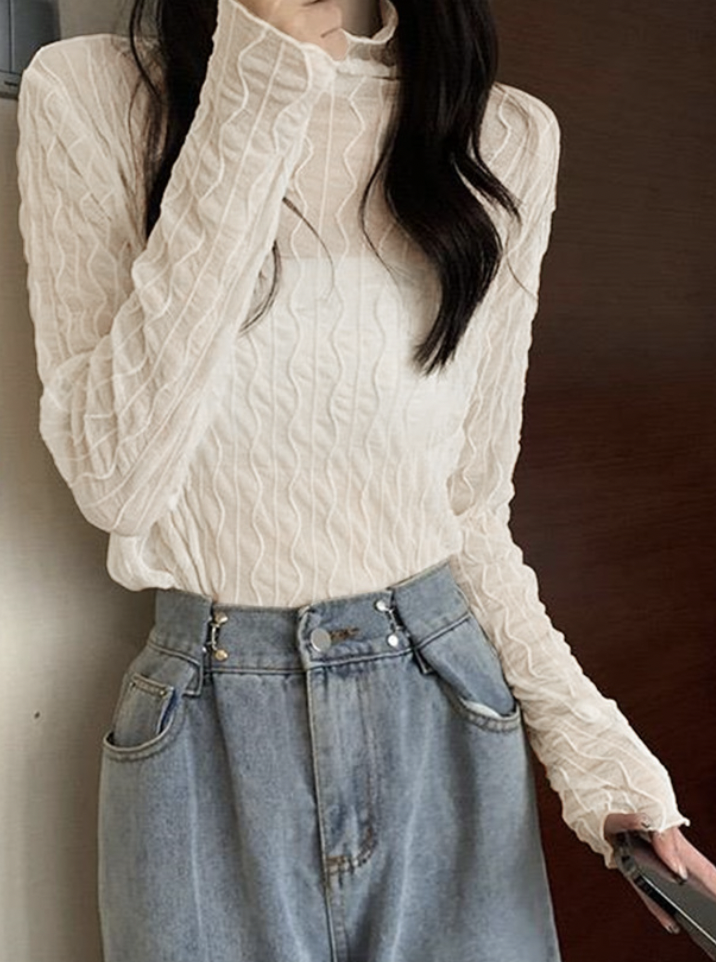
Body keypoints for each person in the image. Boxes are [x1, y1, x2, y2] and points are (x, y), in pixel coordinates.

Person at [15, 0, 716, 958]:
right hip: (208, 738)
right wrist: (259, 78)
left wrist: (604, 763)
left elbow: (470, 515)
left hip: (443, 718)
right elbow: (115, 479)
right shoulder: (91, 92)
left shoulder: (504, 136)